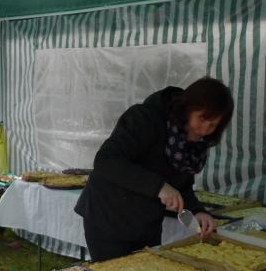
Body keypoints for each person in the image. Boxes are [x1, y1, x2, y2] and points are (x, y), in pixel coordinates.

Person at [75, 76, 234, 261]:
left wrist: (197, 211)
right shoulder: (145, 118)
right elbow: (106, 161)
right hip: (109, 217)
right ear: (188, 108)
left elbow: (182, 185)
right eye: (202, 118)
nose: (205, 129)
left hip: (146, 223)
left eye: (213, 124)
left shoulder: (195, 145)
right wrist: (158, 187)